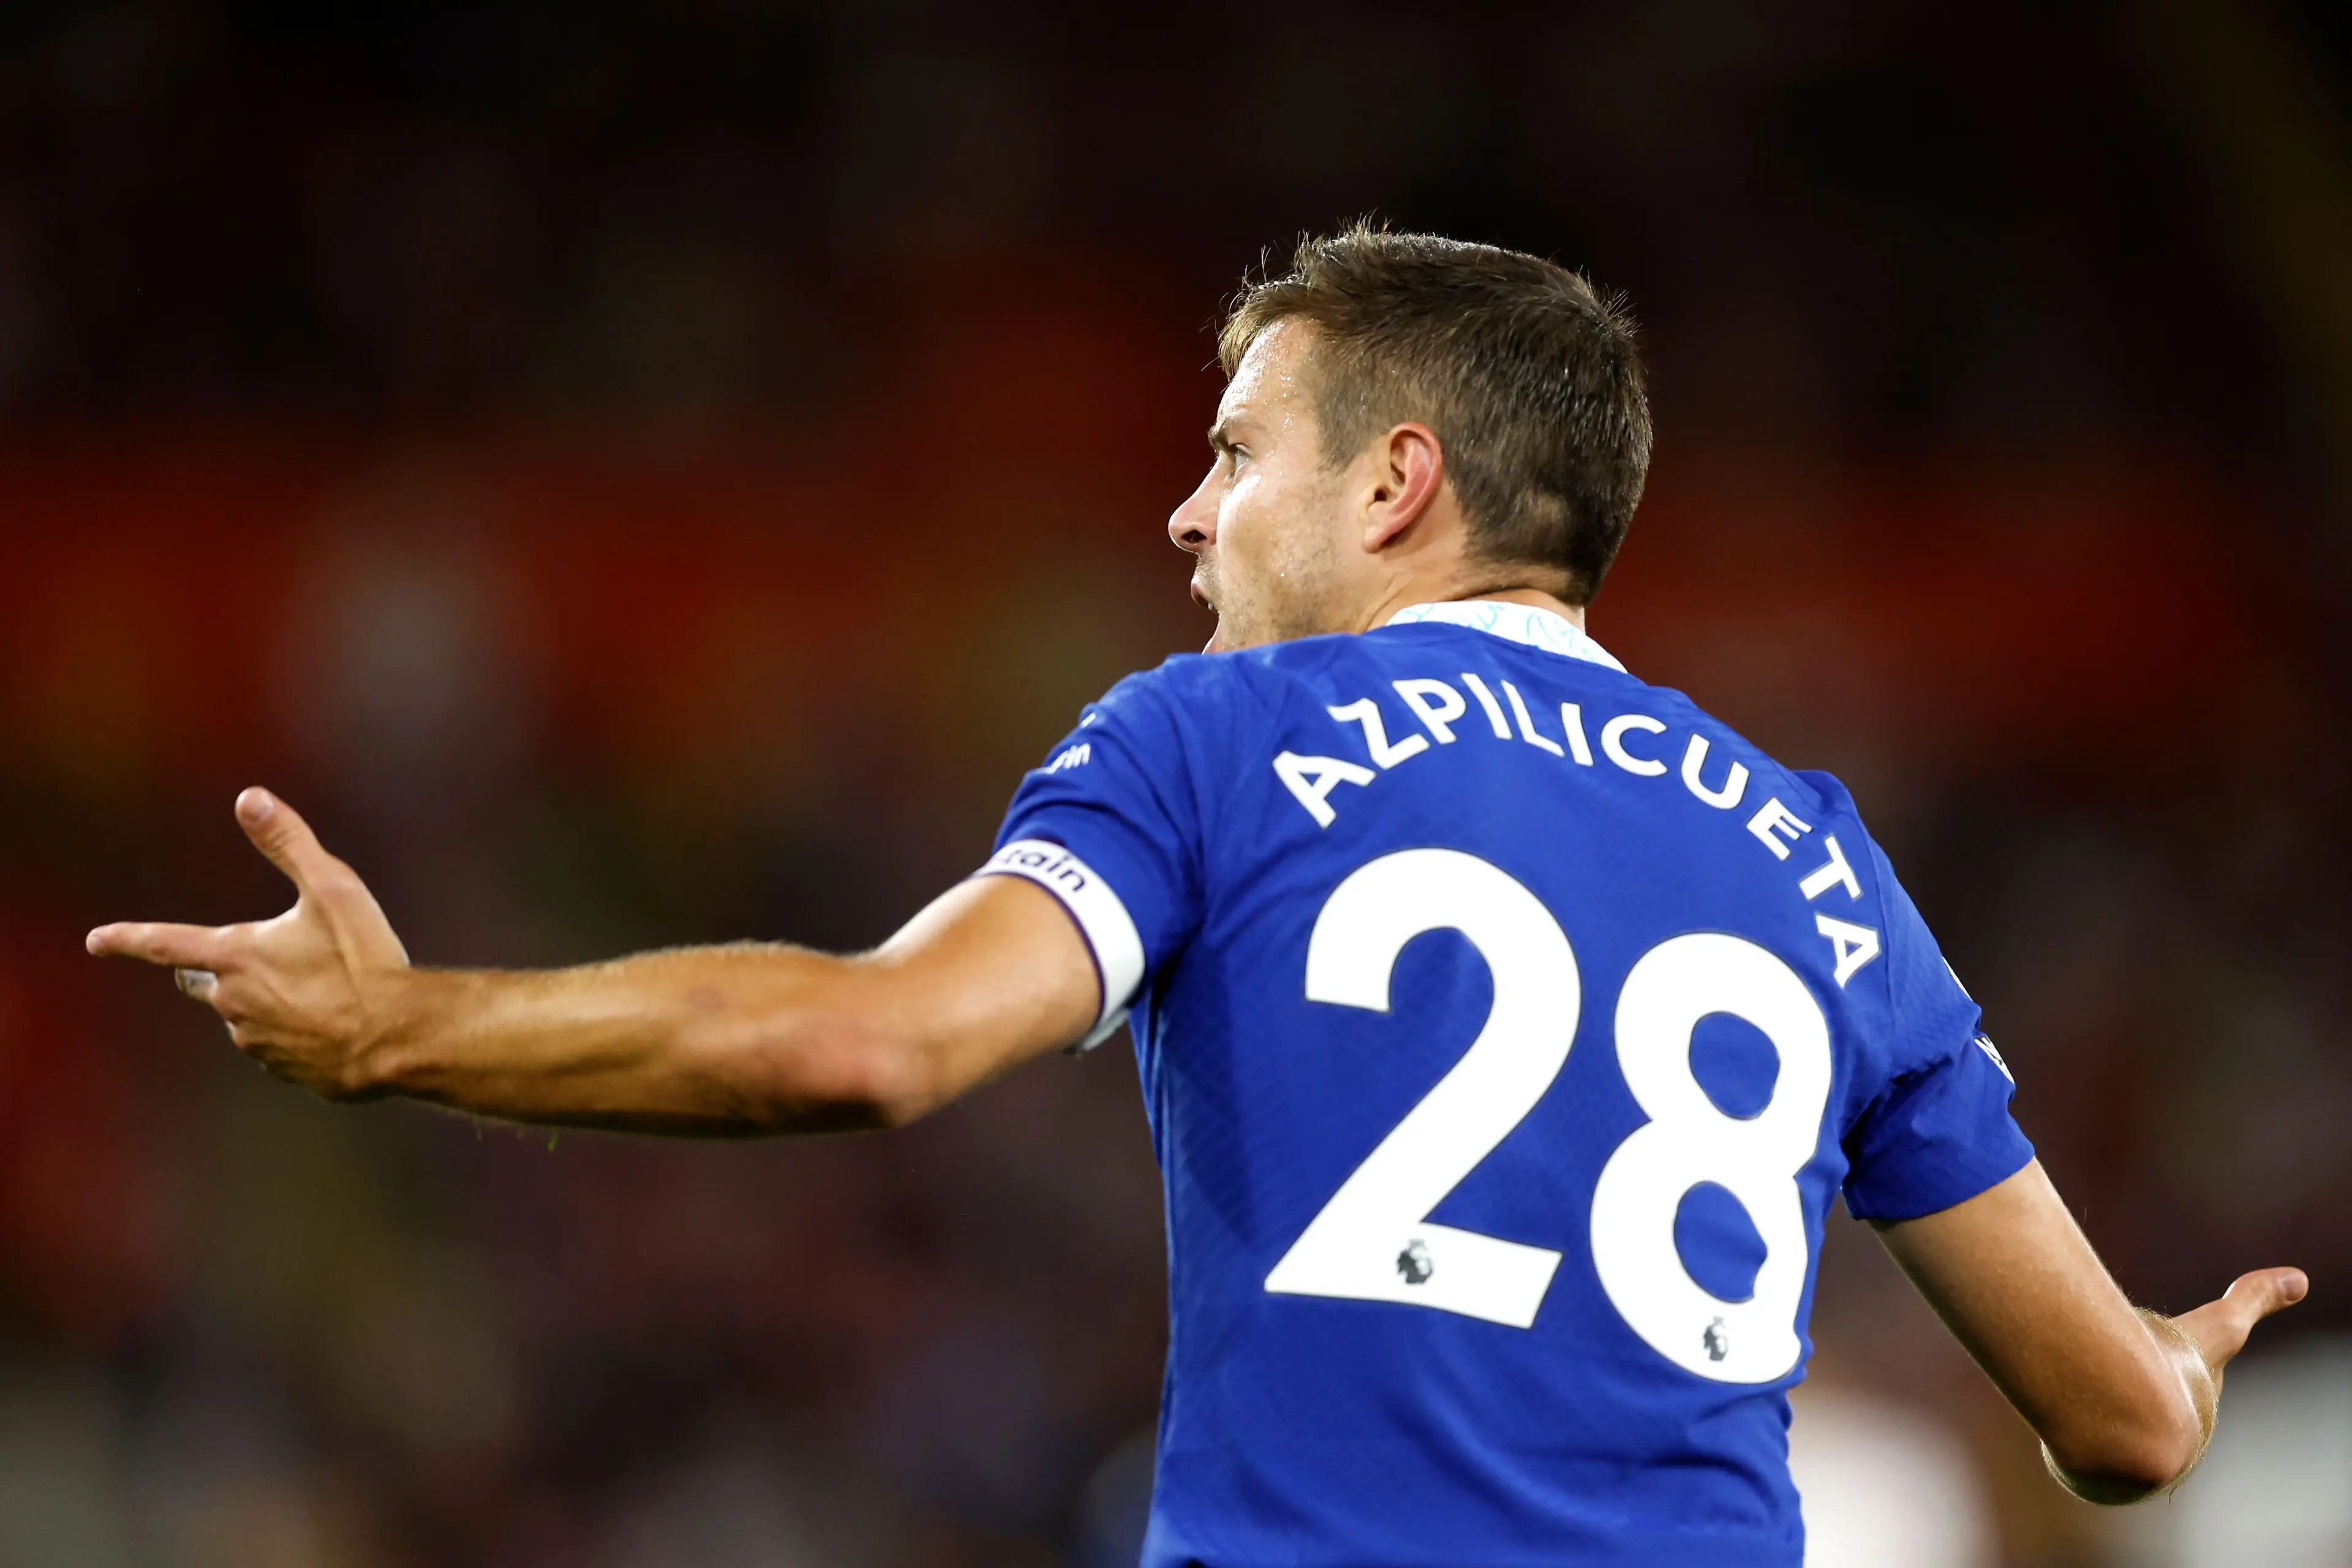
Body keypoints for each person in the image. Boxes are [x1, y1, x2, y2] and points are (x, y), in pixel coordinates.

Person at [90, 225, 2304, 1567]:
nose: (1185, 512)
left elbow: (869, 1044)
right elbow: (2112, 1421)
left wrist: (402, 1030)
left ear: (1398, 481)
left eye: (1238, 450)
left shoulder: (1221, 740)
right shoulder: (1814, 851)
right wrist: (2188, 1377)